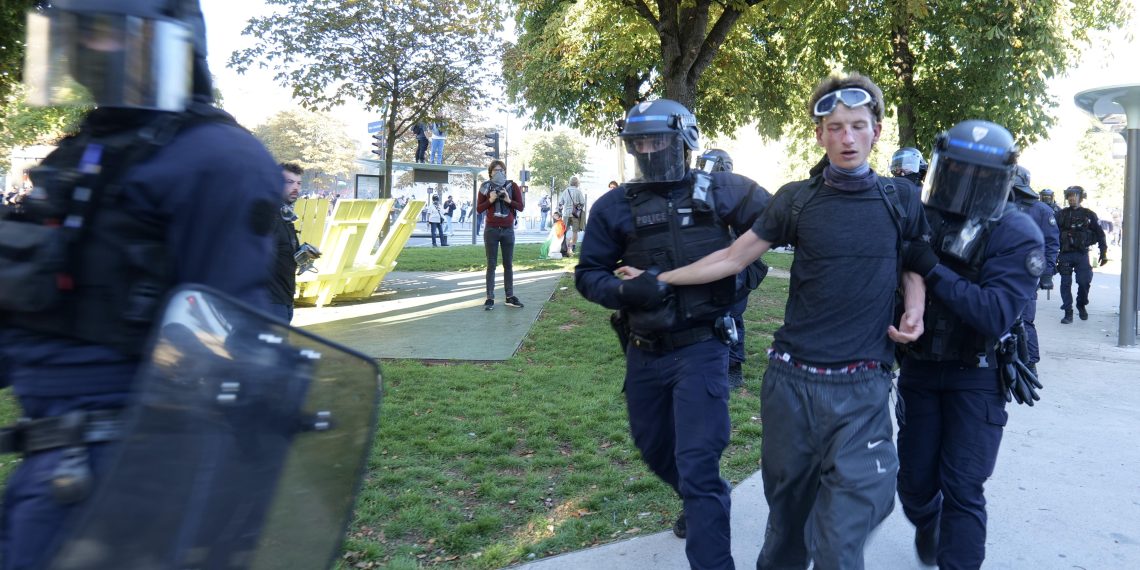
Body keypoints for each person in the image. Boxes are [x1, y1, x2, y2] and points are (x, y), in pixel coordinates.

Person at [0, 1, 282, 568]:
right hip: (50, 460)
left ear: (171, 42)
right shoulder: (89, 147)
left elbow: (233, 336)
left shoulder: (218, 157)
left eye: (106, 32)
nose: (87, 49)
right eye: (78, 33)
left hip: (125, 470)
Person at [631, 73, 929, 569]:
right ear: (819, 134)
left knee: (839, 542)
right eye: (835, 127)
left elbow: (912, 260)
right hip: (792, 388)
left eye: (858, 126)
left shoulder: (900, 199)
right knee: (787, 531)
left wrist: (914, 305)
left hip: (863, 388)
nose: (847, 138)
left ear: (876, 131)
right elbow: (733, 257)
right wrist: (660, 277)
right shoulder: (796, 198)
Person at [576, 99, 773, 570]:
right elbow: (588, 274)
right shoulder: (613, 207)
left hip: (703, 348)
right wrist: (627, 292)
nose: (647, 150)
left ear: (684, 141)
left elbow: (782, 224)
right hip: (644, 350)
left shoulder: (726, 191)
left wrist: (738, 280)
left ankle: (708, 535)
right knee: (654, 448)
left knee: (699, 462)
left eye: (657, 141)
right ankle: (698, 496)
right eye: (639, 142)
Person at [894, 120, 1046, 569]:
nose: (965, 182)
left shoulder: (1017, 231)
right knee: (914, 486)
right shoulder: (922, 216)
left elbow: (994, 313)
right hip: (921, 369)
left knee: (963, 488)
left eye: (978, 174)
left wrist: (933, 270)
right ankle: (929, 521)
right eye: (957, 169)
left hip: (977, 375)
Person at [694, 148, 769, 389]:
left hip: (735, 268)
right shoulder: (696, 193)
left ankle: (734, 367)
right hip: (709, 267)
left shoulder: (739, 194)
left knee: (732, 317)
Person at [1009, 166, 1060, 373]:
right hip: (999, 271)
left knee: (1023, 320)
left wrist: (1047, 273)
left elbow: (1051, 244)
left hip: (1027, 274)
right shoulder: (997, 204)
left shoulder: (1041, 210)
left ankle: (1030, 364)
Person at [1056, 185, 1108, 323]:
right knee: (1065, 283)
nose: (1071, 198)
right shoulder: (1061, 214)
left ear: (1081, 197)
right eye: (1069, 196)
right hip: (1065, 253)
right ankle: (1068, 312)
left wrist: (1103, 253)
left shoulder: (1089, 214)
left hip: (1082, 254)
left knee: (1084, 282)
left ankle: (1081, 304)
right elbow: (1052, 234)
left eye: (1074, 195)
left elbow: (1100, 234)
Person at [477, 160, 524, 310]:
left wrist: (508, 200)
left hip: (508, 229)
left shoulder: (512, 186)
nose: (499, 173)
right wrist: (490, 200)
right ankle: (490, 297)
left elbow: (521, 206)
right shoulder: (485, 187)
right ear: (490, 173)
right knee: (491, 264)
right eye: (496, 170)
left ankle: (509, 296)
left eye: (501, 170)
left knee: (508, 264)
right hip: (491, 229)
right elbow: (479, 209)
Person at [269, 163, 304, 322]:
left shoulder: (286, 216)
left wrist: (302, 252)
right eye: (289, 182)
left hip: (285, 297)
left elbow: (282, 249)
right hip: (269, 302)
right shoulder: (268, 217)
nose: (295, 187)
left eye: (298, 183)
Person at [559, 176, 587, 255]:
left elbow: (561, 202)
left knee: (564, 231)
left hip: (566, 214)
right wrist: (578, 206)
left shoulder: (565, 191)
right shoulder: (578, 191)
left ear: (570, 182)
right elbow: (582, 202)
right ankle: (573, 247)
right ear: (577, 183)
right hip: (575, 214)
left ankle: (565, 247)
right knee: (575, 231)